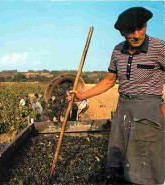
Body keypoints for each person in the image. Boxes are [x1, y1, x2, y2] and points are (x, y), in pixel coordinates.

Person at [67, 7, 164, 184]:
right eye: (129, 31)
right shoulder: (117, 50)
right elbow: (109, 81)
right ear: (121, 32)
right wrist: (81, 96)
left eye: (140, 28)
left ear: (146, 26)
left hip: (149, 112)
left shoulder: (159, 48)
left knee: (146, 164)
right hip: (123, 110)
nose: (136, 35)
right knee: (119, 159)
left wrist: (163, 108)